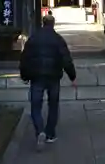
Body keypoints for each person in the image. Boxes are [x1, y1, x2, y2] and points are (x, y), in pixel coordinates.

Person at [19, 14, 76, 151]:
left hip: (37, 77)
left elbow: (24, 58)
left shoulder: (33, 39)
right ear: (53, 24)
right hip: (54, 76)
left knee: (35, 105)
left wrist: (24, 75)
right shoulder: (58, 39)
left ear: (42, 24)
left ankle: (40, 131)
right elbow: (66, 60)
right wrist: (72, 77)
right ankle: (50, 134)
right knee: (53, 105)